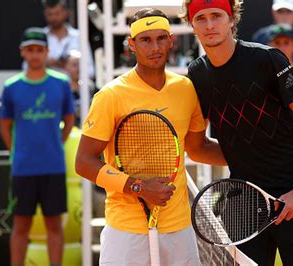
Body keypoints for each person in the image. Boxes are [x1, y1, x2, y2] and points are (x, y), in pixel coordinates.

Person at [181, 0, 293, 265]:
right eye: (201, 18)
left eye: (216, 15)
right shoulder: (196, 74)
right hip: (242, 201)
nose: (210, 24)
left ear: (231, 19)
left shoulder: (267, 59)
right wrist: (246, 156)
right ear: (191, 25)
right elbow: (197, 148)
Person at [75, 8, 225, 265]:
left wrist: (252, 156)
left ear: (171, 40)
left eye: (160, 38)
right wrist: (140, 188)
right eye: (145, 40)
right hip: (126, 230)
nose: (154, 47)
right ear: (132, 44)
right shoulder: (111, 95)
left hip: (179, 227)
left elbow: (198, 148)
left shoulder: (186, 89)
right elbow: (84, 162)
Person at [0, 27, 75, 266]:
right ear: (22, 52)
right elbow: (4, 125)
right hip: (23, 168)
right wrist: (18, 152)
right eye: (30, 50)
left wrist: (56, 144)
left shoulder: (61, 83)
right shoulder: (11, 87)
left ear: (47, 52)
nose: (34, 55)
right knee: (21, 225)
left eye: (39, 50)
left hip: (53, 166)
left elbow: (70, 119)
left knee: (54, 224)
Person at [42, 0, 94, 77]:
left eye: (57, 13)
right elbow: (26, 68)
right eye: (50, 14)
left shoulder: (78, 36)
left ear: (66, 13)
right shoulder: (40, 37)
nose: (53, 18)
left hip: (74, 87)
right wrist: (44, 63)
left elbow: (90, 71)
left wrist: (72, 65)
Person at [63, 49, 97, 126]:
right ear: (66, 67)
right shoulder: (63, 90)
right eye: (74, 65)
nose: (78, 68)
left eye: (80, 64)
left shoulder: (91, 88)